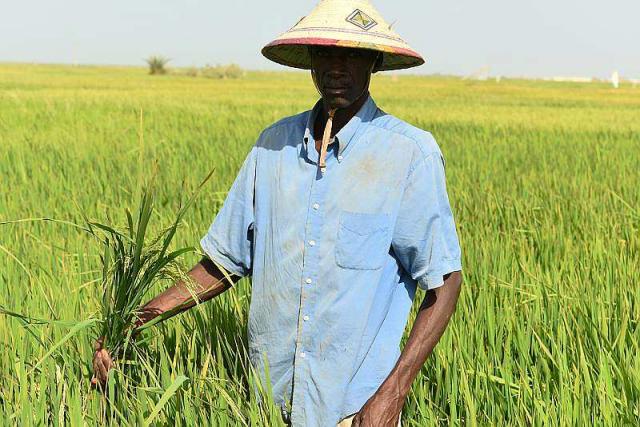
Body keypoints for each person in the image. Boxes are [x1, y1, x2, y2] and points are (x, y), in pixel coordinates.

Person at [92, 1, 463, 426]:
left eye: (353, 53)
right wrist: (135, 320)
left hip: (356, 411)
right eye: (325, 52)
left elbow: (444, 281)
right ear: (310, 60)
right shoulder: (272, 147)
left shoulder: (408, 154)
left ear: (375, 61)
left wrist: (392, 395)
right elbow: (224, 263)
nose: (337, 65)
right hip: (269, 405)